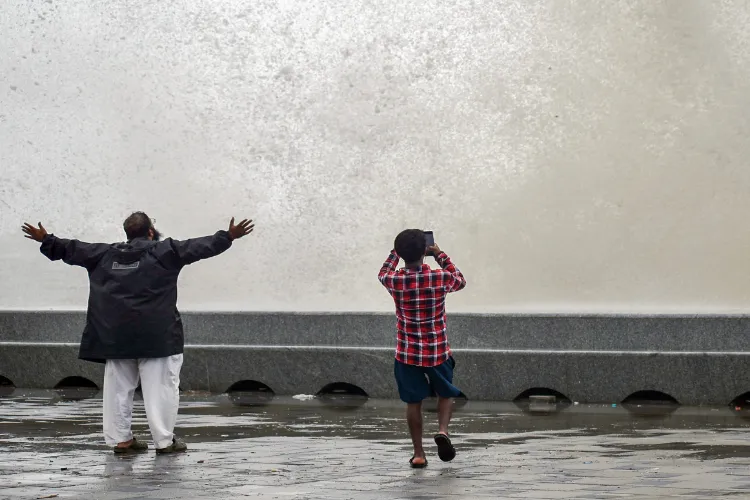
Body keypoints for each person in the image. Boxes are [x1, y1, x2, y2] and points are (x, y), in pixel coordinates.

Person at [21, 213, 254, 454]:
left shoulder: (103, 254)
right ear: (151, 232)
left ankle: (122, 441)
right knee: (161, 389)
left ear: (127, 233)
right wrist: (228, 236)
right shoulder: (166, 251)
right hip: (157, 337)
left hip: (114, 337)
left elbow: (70, 249)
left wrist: (45, 239)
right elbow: (199, 247)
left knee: (117, 391)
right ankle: (164, 441)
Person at [378, 229, 467, 468]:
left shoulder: (395, 281)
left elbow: (383, 273)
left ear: (400, 252)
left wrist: (394, 254)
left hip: (407, 353)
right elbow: (460, 279)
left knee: (413, 402)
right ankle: (443, 431)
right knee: (446, 392)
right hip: (438, 350)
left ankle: (419, 454)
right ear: (424, 252)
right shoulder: (440, 278)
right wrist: (440, 255)